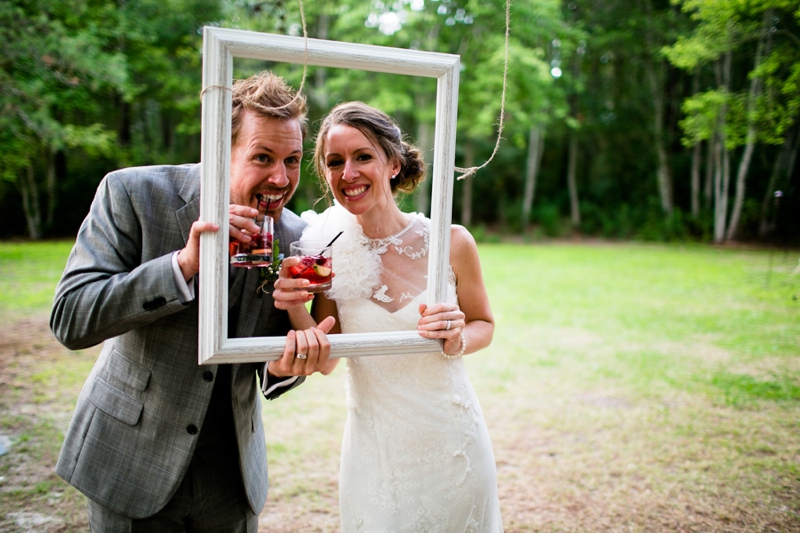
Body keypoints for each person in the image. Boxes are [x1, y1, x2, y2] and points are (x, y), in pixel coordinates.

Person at [50, 72, 334, 532]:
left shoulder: (297, 238)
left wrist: (284, 368)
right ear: (220, 151)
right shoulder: (132, 194)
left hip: (233, 478)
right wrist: (182, 264)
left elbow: (275, 362)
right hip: (131, 461)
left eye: (294, 160)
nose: (281, 179)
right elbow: (71, 319)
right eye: (263, 157)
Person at [273, 101, 503, 532]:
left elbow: (484, 324)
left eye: (363, 157)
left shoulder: (451, 242)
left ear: (394, 163)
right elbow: (325, 360)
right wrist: (294, 309)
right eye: (334, 162)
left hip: (453, 443)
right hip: (375, 455)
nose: (348, 174)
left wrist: (458, 337)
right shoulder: (327, 250)